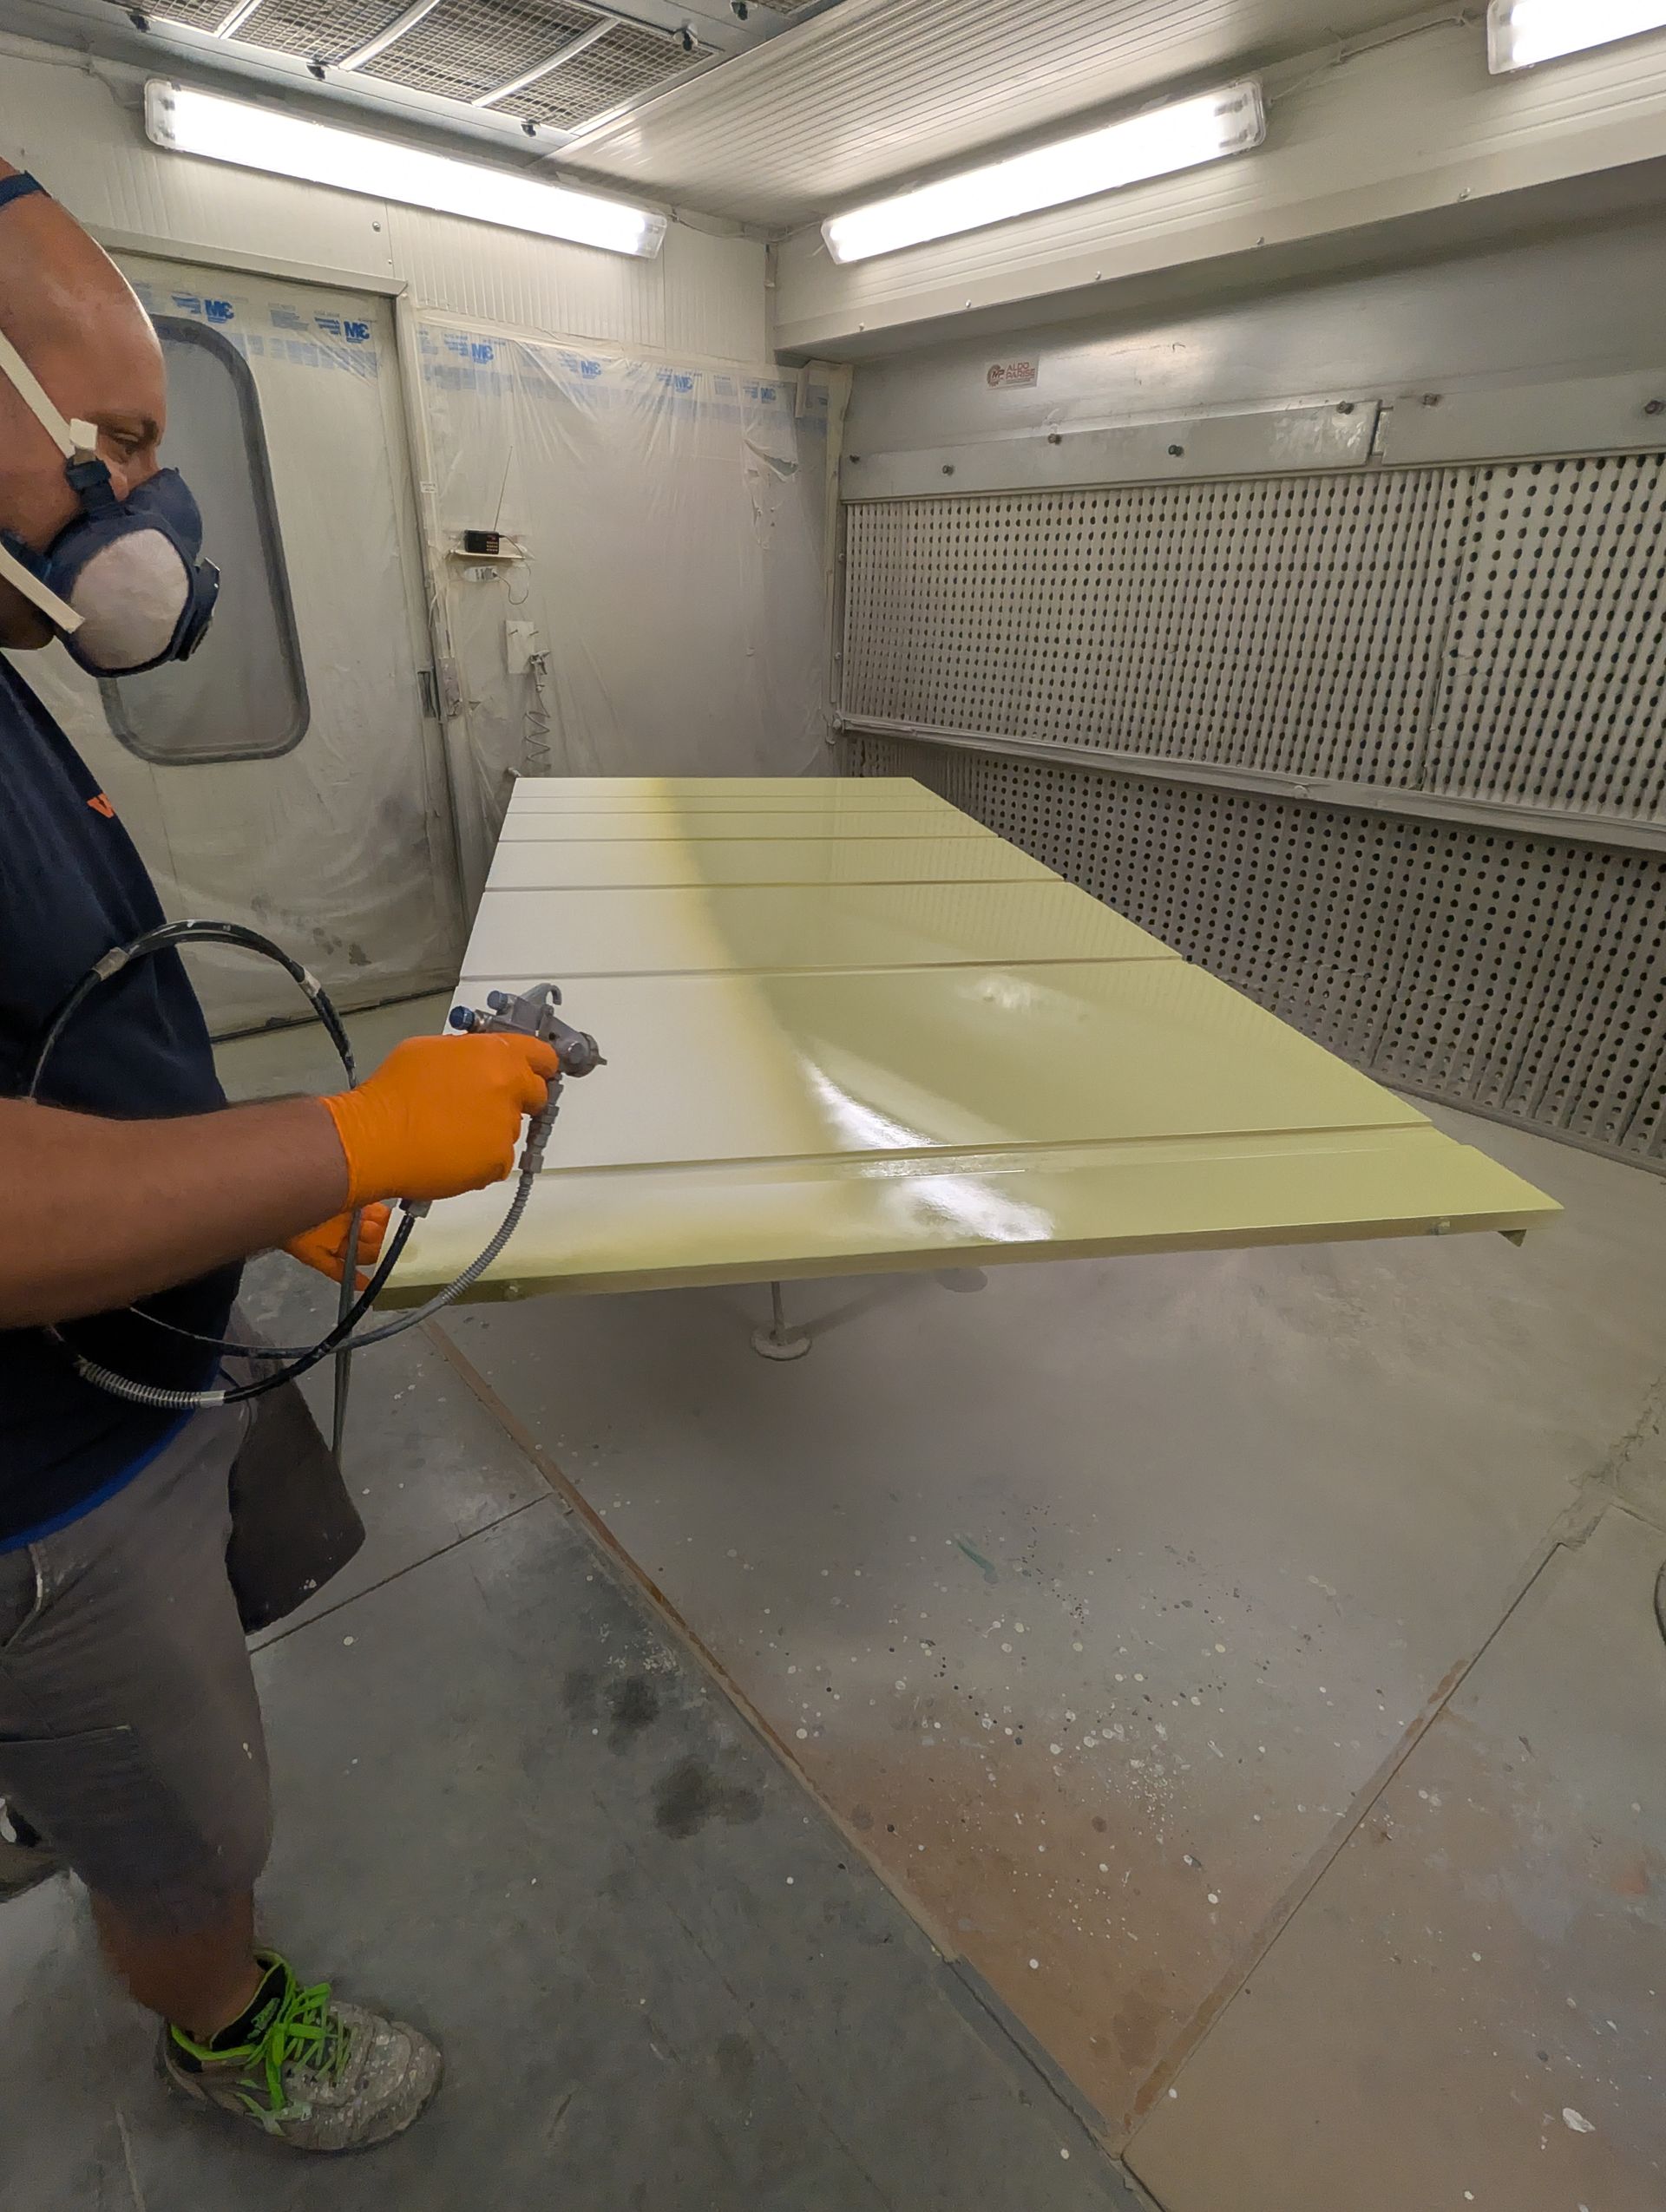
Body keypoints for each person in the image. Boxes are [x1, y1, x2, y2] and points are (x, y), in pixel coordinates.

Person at [0, 166, 557, 2152]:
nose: (151, 506)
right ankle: (218, 2016)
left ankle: (69, 1805)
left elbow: (59, 1047)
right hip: (38, 1484)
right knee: (189, 1822)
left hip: (122, 1375)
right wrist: (357, 1129)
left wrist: (271, 1181)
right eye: (122, 442)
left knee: (169, 1712)